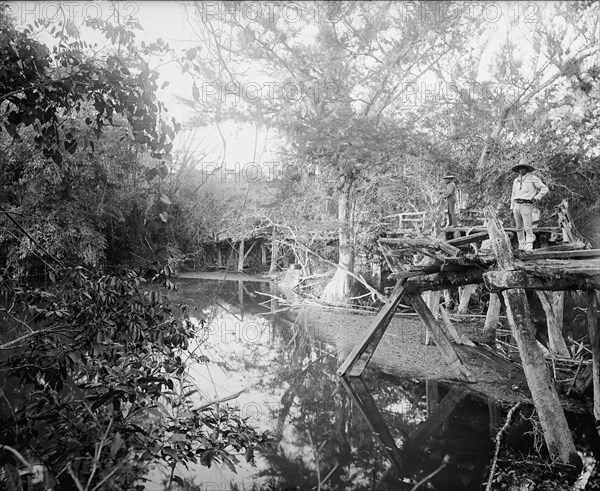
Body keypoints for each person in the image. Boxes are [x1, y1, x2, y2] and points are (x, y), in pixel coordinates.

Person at [510, 158, 549, 251]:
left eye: (523, 168)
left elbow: (545, 188)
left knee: (528, 226)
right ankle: (521, 245)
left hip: (526, 204)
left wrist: (537, 197)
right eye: (520, 168)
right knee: (519, 227)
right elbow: (513, 194)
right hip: (516, 204)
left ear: (527, 169)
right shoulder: (516, 180)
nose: (521, 170)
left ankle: (529, 245)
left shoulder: (532, 178)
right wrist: (512, 207)